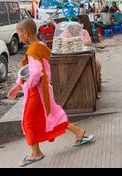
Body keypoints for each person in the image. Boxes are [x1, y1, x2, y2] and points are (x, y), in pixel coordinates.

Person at [7, 19, 94, 167]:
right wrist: (18, 85)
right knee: (53, 115)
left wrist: (24, 84)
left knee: (28, 121)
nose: (18, 36)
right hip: (44, 90)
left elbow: (34, 73)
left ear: (26, 33)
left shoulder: (32, 50)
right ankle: (79, 132)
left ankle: (36, 153)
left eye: (19, 33)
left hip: (36, 92)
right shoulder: (40, 45)